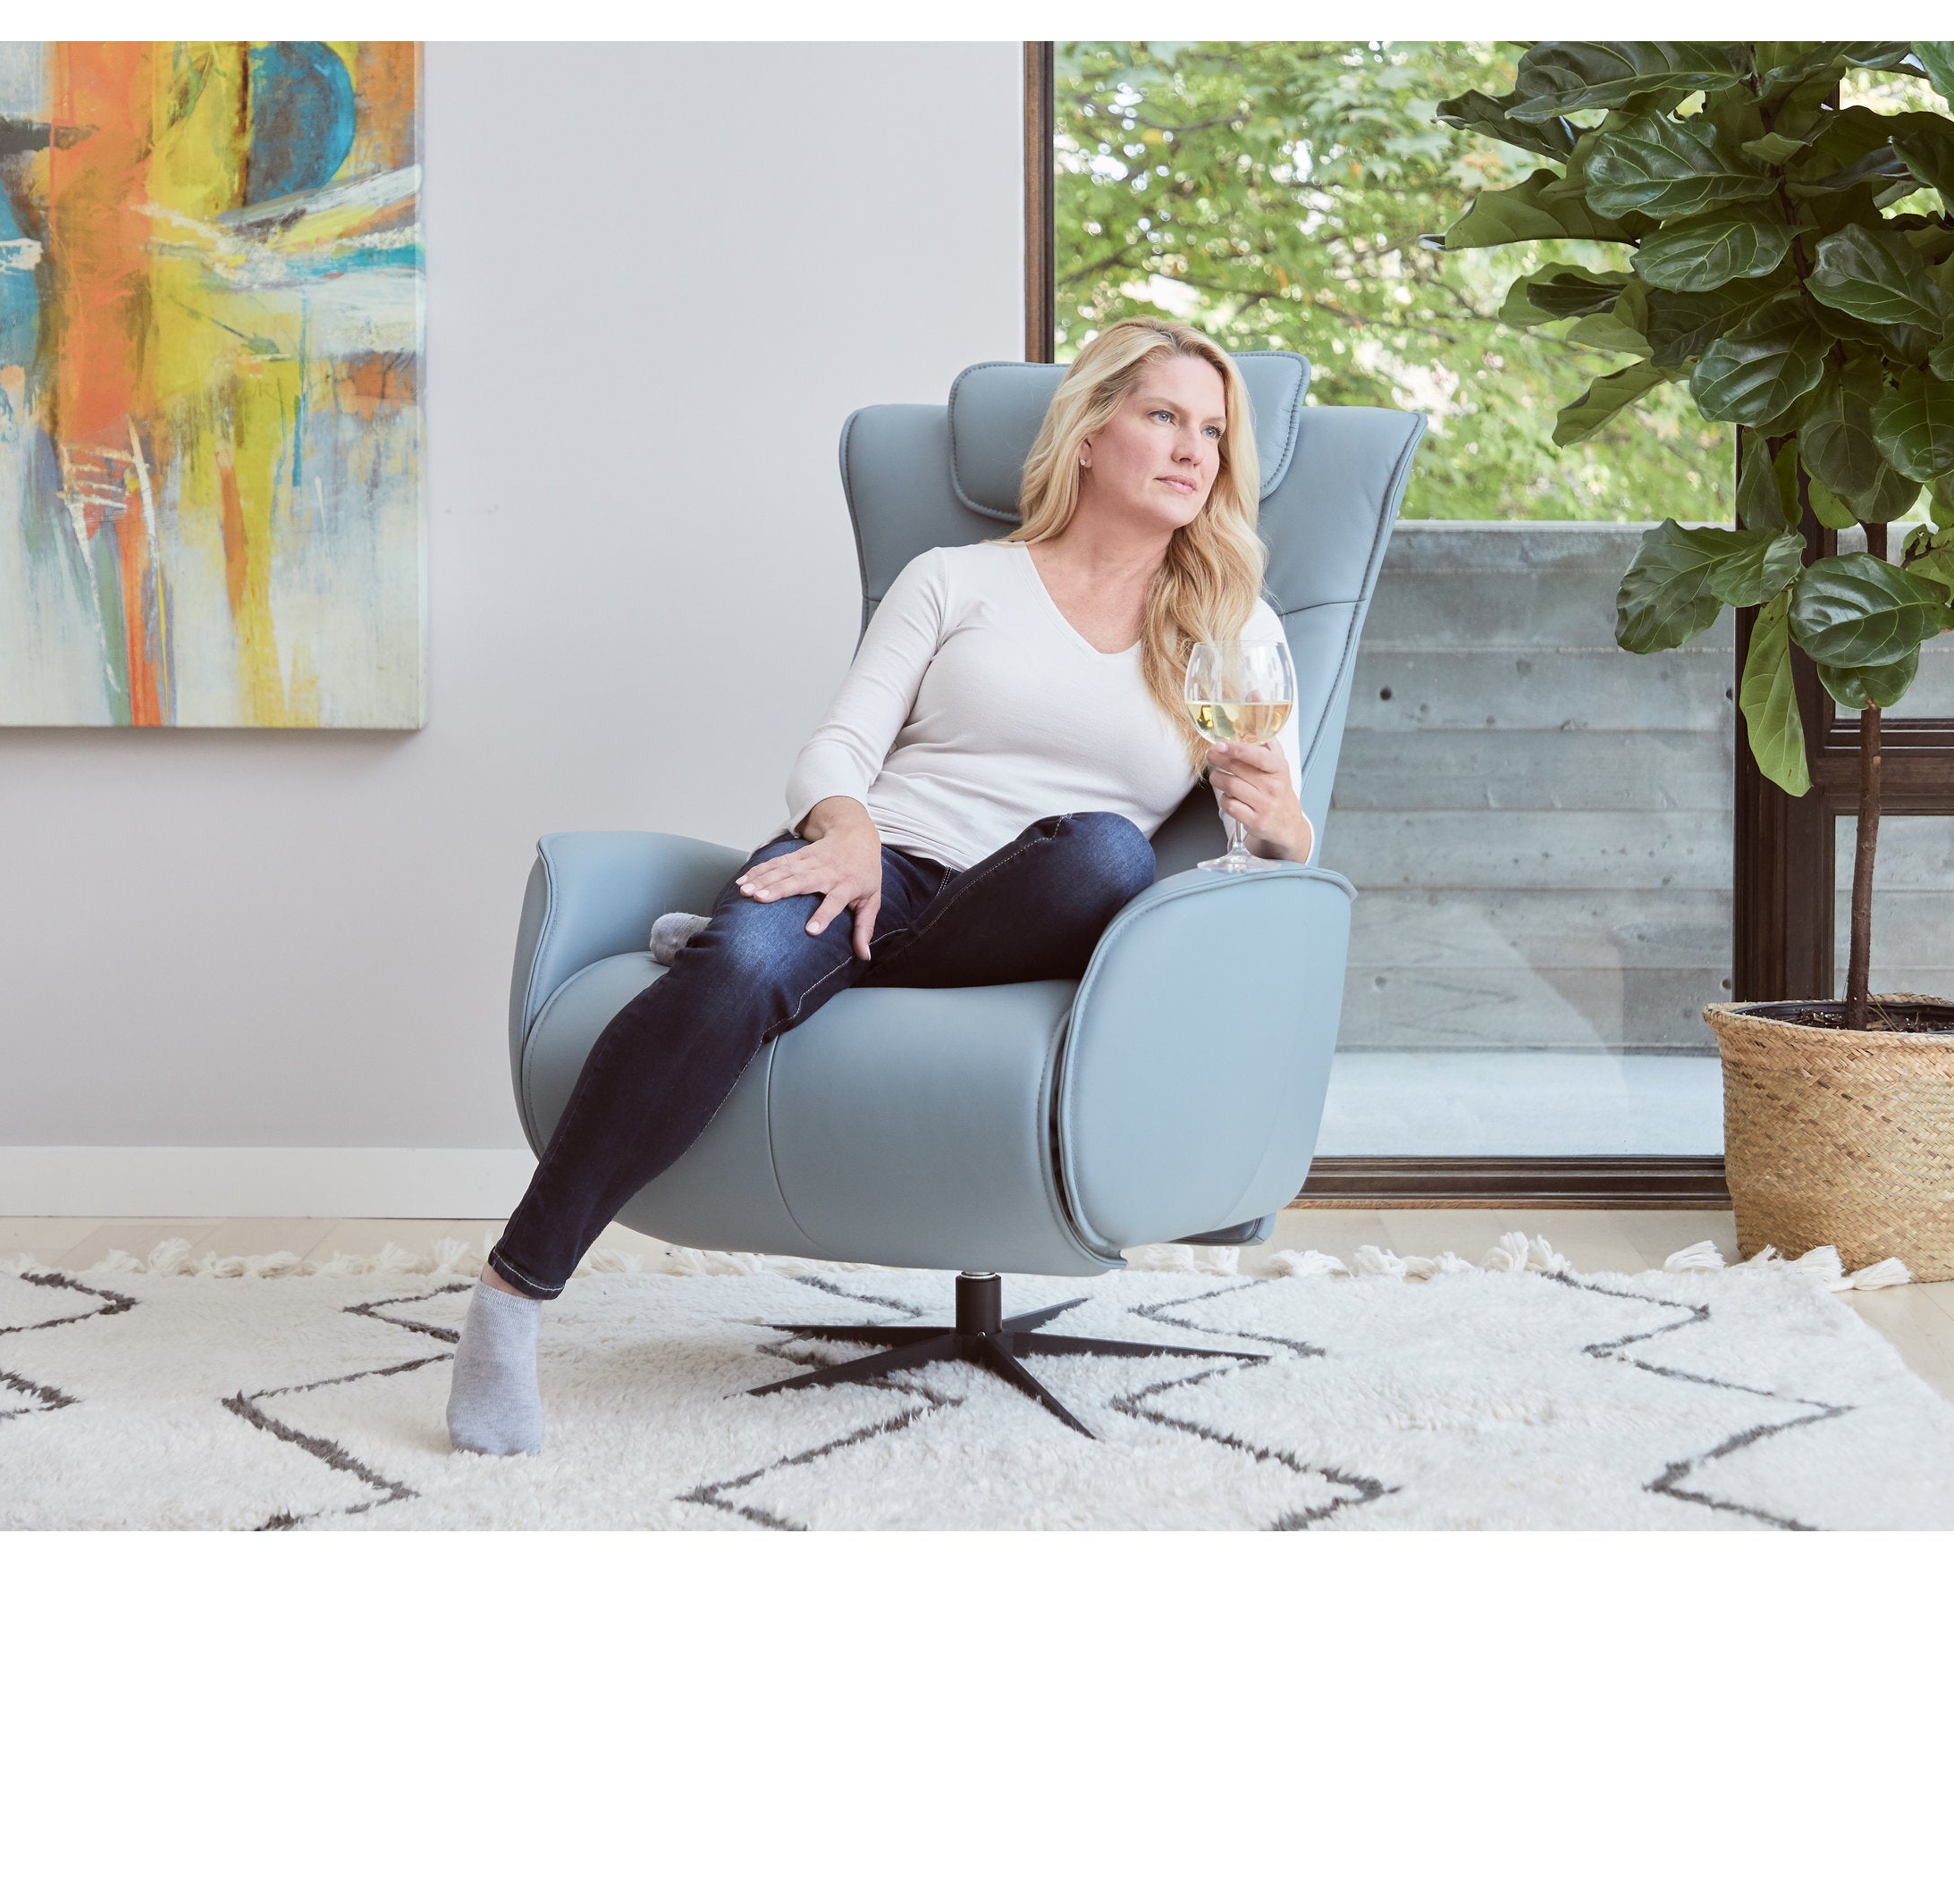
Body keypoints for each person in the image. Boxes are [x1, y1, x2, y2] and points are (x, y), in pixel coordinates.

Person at [446, 318, 1311, 1453]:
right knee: (753, 961)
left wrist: (1283, 822)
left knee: (1107, 852)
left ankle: (742, 949)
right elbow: (835, 751)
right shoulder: (957, 578)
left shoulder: (1227, 627)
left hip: (1036, 907)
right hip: (881, 862)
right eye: (1163, 415)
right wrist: (846, 834)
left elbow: (1281, 828)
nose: (1193, 447)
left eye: (1213, 429)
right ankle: (511, 1301)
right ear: (1093, 432)